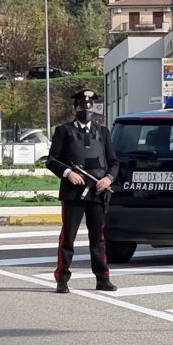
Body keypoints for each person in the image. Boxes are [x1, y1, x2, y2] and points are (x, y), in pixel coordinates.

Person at [47, 89, 119, 294]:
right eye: (81, 107)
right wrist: (68, 173)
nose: (86, 111)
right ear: (75, 109)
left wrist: (108, 178)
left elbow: (114, 162)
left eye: (89, 108)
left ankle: (102, 279)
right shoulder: (64, 131)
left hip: (97, 192)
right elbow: (51, 160)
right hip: (73, 193)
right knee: (68, 238)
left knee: (98, 239)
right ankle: (62, 279)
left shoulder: (103, 132)